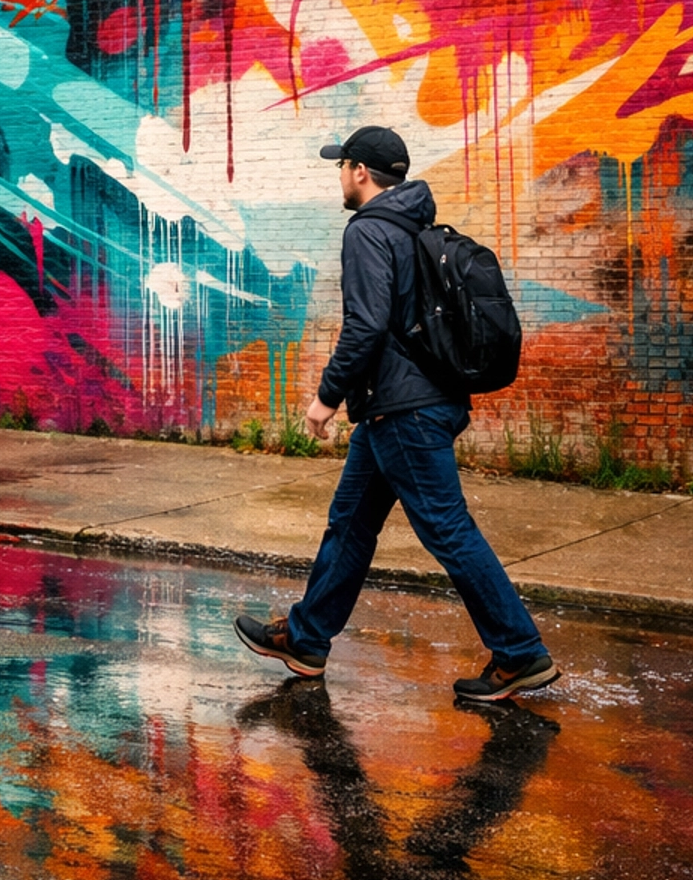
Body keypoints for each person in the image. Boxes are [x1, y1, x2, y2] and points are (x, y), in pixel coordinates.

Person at [234, 126, 559, 705]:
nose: (339, 175)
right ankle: (307, 638)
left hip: (403, 412)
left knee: (447, 529)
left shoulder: (368, 231)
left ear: (360, 172)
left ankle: (519, 652)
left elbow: (366, 325)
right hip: (410, 405)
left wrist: (325, 398)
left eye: (342, 165)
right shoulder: (416, 228)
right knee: (352, 522)